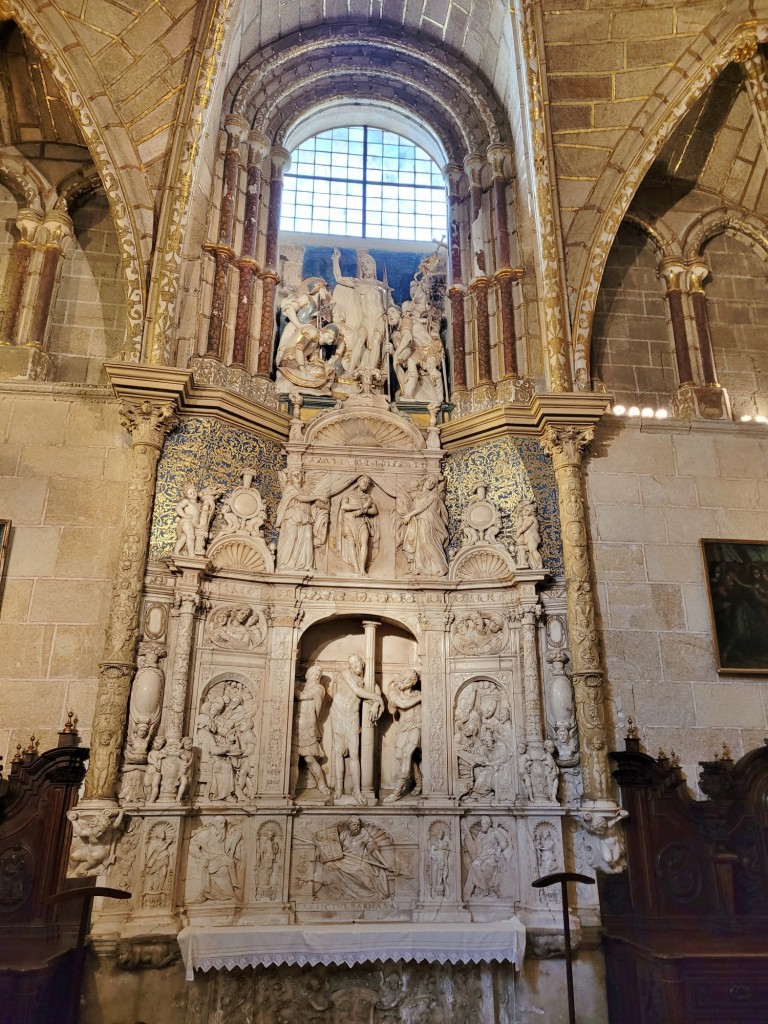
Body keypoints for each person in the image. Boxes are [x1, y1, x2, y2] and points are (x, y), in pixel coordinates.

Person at [330, 654, 384, 803]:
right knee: (339, 751)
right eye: (351, 663)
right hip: (338, 713)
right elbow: (358, 691)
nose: (354, 666)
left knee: (354, 753)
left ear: (363, 663)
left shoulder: (368, 680)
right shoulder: (346, 674)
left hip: (353, 716)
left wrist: (376, 703)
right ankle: (339, 788)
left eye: (356, 662)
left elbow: (377, 692)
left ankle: (357, 790)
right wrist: (377, 699)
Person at [315, 816, 392, 900]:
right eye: (354, 825)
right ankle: (336, 892)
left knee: (359, 870)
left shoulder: (364, 834)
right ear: (349, 826)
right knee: (329, 866)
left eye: (358, 825)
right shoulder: (344, 834)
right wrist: (323, 846)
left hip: (359, 860)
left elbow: (373, 849)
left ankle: (371, 894)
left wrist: (385, 863)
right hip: (344, 860)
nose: (356, 827)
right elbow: (335, 848)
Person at [275, 469, 328, 572]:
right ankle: (285, 564)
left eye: (299, 474)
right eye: (295, 475)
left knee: (308, 538)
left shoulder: (306, 491)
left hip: (305, 516)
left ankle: (307, 565)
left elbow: (312, 502)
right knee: (292, 537)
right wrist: (318, 497)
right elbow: (301, 498)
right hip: (292, 515)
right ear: (291, 477)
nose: (298, 476)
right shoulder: (289, 488)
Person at [396, 477, 449, 577]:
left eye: (433, 483)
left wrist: (409, 515)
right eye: (430, 481)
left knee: (426, 541)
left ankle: (442, 567)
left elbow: (423, 506)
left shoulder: (433, 495)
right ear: (424, 481)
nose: (431, 483)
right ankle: (418, 568)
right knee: (418, 543)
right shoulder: (417, 495)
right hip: (418, 521)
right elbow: (402, 493)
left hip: (428, 520)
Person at [384, 669, 422, 803]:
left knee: (407, 755)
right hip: (403, 728)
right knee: (402, 757)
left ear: (412, 682)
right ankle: (419, 781)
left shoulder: (418, 693)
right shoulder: (395, 693)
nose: (402, 682)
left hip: (417, 726)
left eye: (406, 680)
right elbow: (402, 705)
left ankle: (397, 792)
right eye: (401, 679)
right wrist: (423, 697)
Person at [291, 665, 330, 797]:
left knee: (309, 759)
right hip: (295, 727)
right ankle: (290, 789)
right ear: (308, 675)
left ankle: (321, 784)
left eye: (317, 675)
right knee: (293, 760)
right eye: (314, 674)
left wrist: (291, 684)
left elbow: (301, 696)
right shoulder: (301, 686)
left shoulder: (318, 688)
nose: (316, 677)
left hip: (307, 727)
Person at [336, 476, 379, 575]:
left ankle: (362, 569)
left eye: (368, 483)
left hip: (362, 521)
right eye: (364, 481)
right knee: (351, 542)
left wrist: (363, 511)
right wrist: (360, 507)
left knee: (364, 541)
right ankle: (356, 569)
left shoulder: (368, 498)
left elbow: (374, 510)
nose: (366, 484)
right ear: (358, 482)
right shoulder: (348, 494)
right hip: (349, 521)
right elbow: (344, 506)